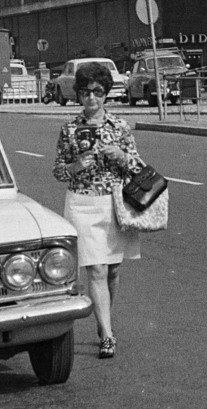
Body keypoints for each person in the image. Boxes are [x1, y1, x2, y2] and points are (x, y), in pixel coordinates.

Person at [52, 60, 144, 360]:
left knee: (113, 271)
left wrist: (120, 156)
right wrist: (77, 165)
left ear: (106, 94)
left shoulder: (119, 126)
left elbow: (138, 167)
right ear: (78, 95)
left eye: (98, 92)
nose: (92, 98)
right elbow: (59, 171)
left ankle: (105, 320)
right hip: (82, 203)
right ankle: (107, 334)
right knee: (97, 269)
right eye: (86, 92)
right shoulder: (69, 130)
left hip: (114, 204)